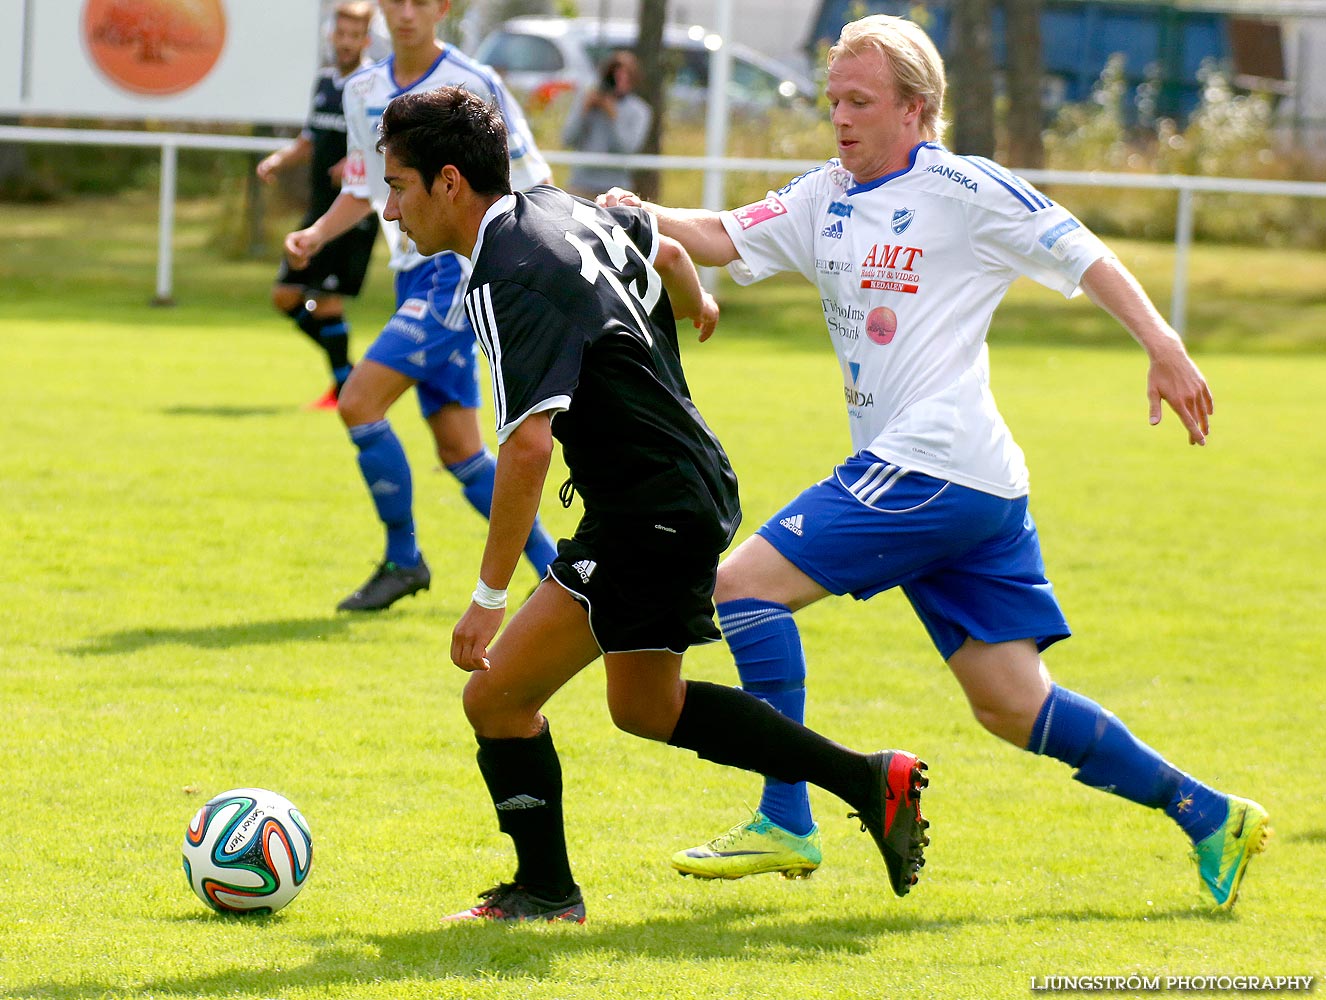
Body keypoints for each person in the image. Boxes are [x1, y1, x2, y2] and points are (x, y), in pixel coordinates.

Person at [601, 14, 1270, 910]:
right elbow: (720, 232)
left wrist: (1164, 342)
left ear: (917, 108)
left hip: (934, 463)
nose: (839, 116)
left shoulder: (965, 188)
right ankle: (1210, 814)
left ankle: (785, 815)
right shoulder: (824, 193)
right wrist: (632, 215)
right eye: (833, 98)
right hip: (972, 485)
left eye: (861, 101)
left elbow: (1083, 254)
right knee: (1009, 703)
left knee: (740, 590)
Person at [374, 85, 933, 923]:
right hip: (684, 485)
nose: (390, 209)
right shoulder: (561, 208)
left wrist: (488, 600)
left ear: (449, 183)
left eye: (398, 186)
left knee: (495, 696)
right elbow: (662, 246)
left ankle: (544, 893)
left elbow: (527, 447)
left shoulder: (505, 275)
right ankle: (869, 779)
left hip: (648, 509)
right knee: (646, 707)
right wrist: (695, 300)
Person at [283, 0, 559, 612]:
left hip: (458, 273)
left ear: (443, 8)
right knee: (459, 448)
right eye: (395, 1)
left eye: (420, 2)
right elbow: (363, 187)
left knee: (357, 401)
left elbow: (529, 177)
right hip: (413, 274)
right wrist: (317, 236)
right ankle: (557, 571)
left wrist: (524, 260)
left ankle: (404, 559)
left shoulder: (475, 83)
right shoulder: (362, 89)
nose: (405, 14)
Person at [257, 1, 377, 410]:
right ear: (332, 36)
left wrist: (357, 163)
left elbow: (388, 144)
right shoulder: (324, 83)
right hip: (317, 213)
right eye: (339, 34)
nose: (344, 42)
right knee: (284, 296)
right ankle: (348, 373)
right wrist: (279, 158)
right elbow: (310, 140)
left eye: (353, 36)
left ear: (366, 39)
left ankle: (345, 385)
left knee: (327, 301)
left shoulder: (373, 85)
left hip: (351, 213)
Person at [560, 50, 652, 201]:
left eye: (626, 77)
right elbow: (567, 139)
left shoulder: (640, 110)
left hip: (615, 191)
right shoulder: (588, 102)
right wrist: (584, 111)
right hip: (580, 187)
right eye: (616, 77)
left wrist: (613, 115)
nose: (620, 82)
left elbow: (628, 148)